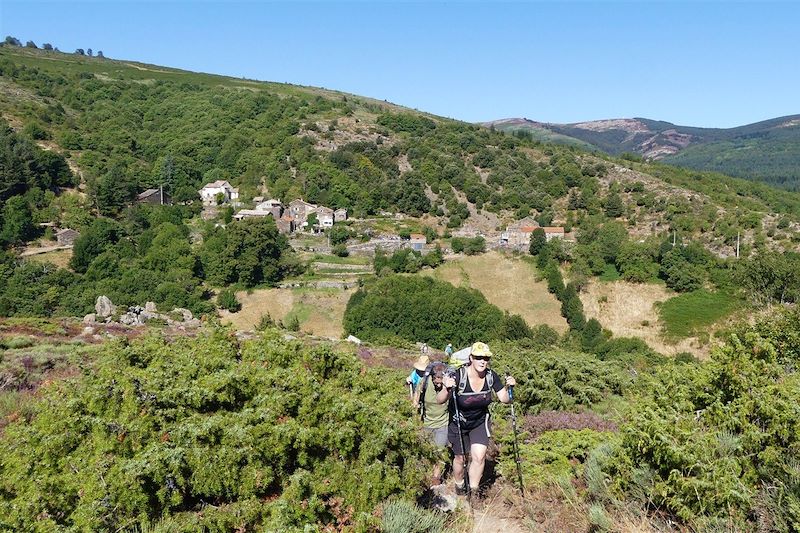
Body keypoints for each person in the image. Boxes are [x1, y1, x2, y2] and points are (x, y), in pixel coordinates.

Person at [437, 341, 515, 499]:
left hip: (479, 421)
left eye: (486, 358)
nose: (482, 361)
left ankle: (473, 492)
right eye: (479, 357)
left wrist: (509, 388)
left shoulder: (491, 376)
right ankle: (459, 485)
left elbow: (504, 399)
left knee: (479, 457)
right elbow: (440, 400)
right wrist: (446, 388)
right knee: (460, 458)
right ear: (471, 358)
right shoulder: (459, 375)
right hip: (458, 422)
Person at [413, 362, 449, 486]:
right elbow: (416, 400)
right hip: (426, 423)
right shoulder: (424, 383)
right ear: (432, 378)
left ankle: (435, 478)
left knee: (439, 451)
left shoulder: (448, 386)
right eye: (436, 381)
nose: (439, 384)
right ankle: (425, 475)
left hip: (443, 424)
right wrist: (415, 407)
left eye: (441, 381)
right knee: (427, 451)